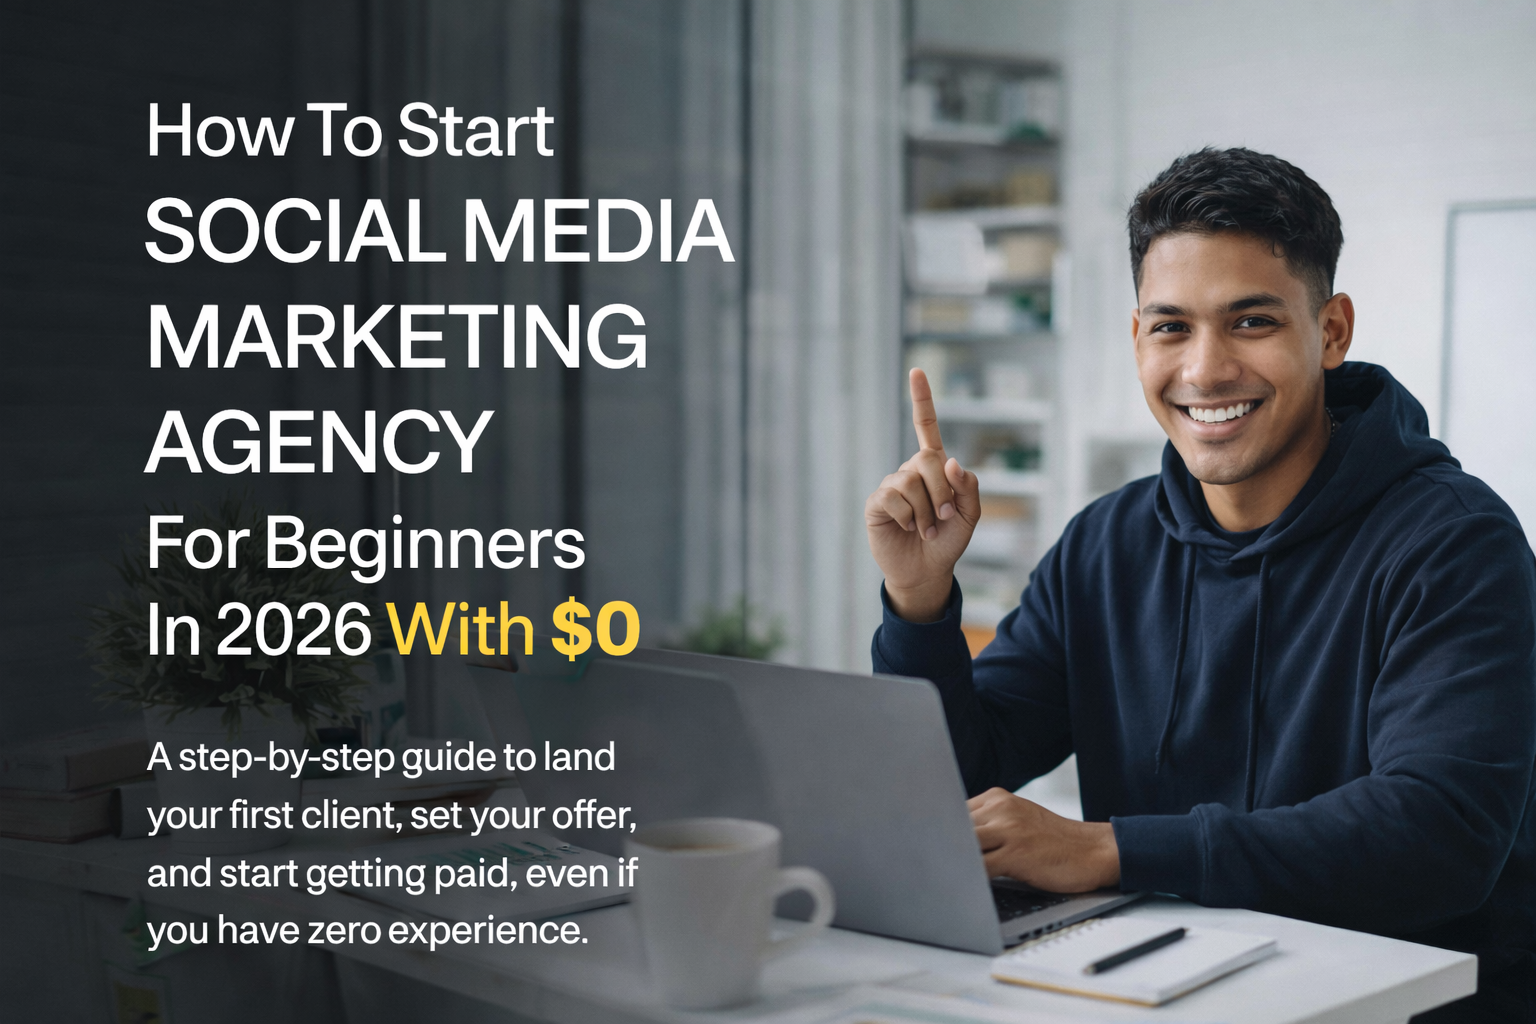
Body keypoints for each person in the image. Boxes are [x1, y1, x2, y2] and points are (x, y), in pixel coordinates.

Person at [867, 148, 1534, 1022]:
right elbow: (956, 778)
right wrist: (920, 607)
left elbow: (1437, 837)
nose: (1206, 370)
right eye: (1172, 326)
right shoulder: (1106, 542)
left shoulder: (1454, 543)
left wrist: (1109, 851)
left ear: (1330, 331)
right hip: (1156, 992)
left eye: (1251, 322)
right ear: (1137, 335)